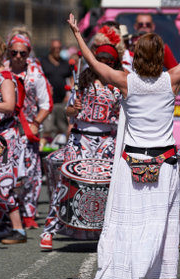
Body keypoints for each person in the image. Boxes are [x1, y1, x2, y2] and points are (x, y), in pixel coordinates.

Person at [68, 6, 180, 279]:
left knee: (124, 217)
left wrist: (78, 34)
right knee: (165, 222)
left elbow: (92, 62)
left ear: (137, 56)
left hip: (133, 162)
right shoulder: (173, 79)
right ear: (161, 55)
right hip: (163, 162)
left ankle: (112, 275)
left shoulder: (125, 81)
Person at [40, 43, 122, 250]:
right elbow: (69, 112)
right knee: (66, 183)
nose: (104, 65)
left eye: (108, 61)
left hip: (107, 140)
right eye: (100, 60)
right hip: (80, 139)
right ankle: (50, 230)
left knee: (108, 186)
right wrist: (72, 109)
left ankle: (107, 230)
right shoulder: (83, 82)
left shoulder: (119, 84)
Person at [4, 27, 53, 230]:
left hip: (28, 131)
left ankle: (29, 213)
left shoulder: (35, 73)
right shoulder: (2, 71)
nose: (17, 56)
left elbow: (46, 103)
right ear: (8, 52)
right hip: (4, 131)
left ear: (28, 53)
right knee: (7, 173)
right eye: (13, 52)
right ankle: (7, 212)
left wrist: (35, 123)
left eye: (22, 53)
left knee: (31, 173)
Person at [0, 34, 26, 244]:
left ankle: (18, 230)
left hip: (5, 136)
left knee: (1, 184)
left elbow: (10, 106)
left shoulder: (4, 77)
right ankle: (2, 225)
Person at [41, 39, 72, 140]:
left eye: (59, 48)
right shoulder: (43, 62)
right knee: (48, 128)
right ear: (50, 49)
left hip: (62, 101)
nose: (57, 50)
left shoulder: (65, 63)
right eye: (54, 48)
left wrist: (69, 94)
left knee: (63, 127)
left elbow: (71, 78)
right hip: (47, 102)